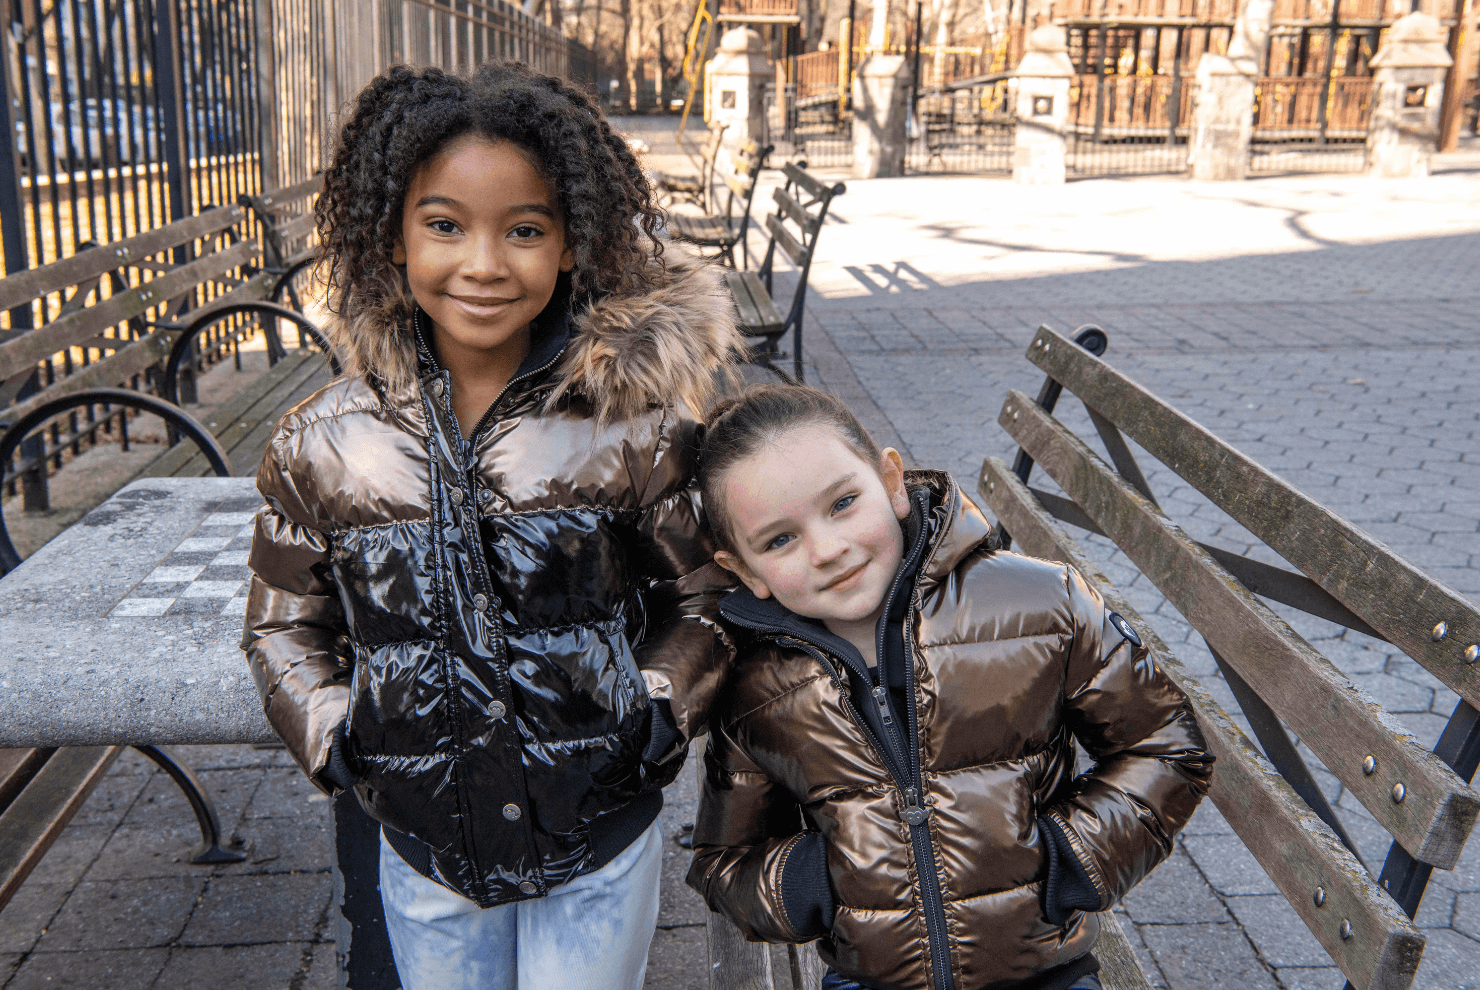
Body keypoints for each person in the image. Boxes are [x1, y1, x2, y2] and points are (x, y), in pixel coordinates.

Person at [242, 61, 740, 990]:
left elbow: (706, 593)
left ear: (569, 245)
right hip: (429, 836)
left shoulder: (631, 427)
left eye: (524, 230)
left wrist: (656, 706)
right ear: (392, 237)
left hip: (599, 827)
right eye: (444, 225)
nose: (482, 263)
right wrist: (338, 733)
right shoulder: (323, 443)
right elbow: (282, 620)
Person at [685, 384, 1214, 990]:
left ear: (890, 481)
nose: (828, 550)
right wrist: (817, 881)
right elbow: (724, 861)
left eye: (843, 503)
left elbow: (1167, 745)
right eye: (780, 540)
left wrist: (1069, 858)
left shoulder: (1039, 604)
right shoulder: (756, 685)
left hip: (1044, 973)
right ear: (744, 570)